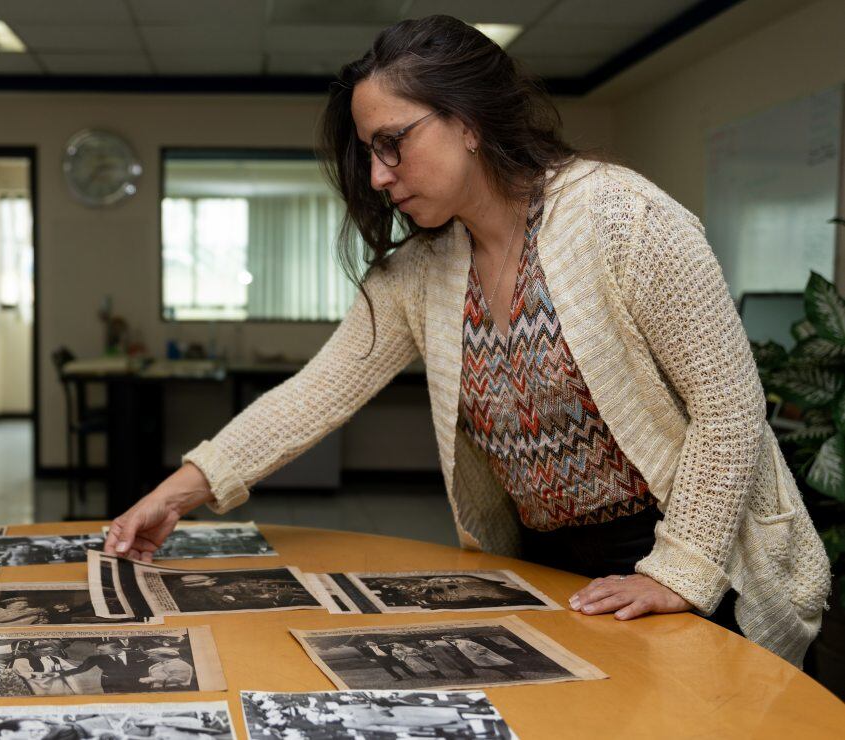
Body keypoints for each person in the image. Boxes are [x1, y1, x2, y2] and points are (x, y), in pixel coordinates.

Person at [103, 14, 830, 665]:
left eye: (393, 144)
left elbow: (730, 407)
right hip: (550, 560)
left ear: (469, 122)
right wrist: (173, 495)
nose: (378, 175)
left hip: (697, 556)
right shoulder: (422, 270)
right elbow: (314, 393)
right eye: (369, 152)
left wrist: (677, 569)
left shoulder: (621, 216)